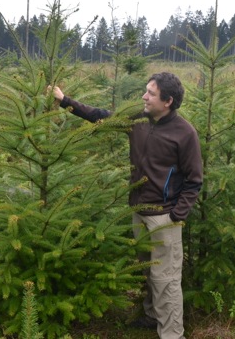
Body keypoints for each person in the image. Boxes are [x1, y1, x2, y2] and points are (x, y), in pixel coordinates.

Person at [49, 72, 203, 339]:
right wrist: (65, 101)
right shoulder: (138, 120)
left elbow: (194, 180)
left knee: (165, 280)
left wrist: (177, 214)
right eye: (146, 91)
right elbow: (101, 116)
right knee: (146, 270)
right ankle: (151, 315)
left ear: (167, 101)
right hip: (138, 210)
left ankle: (172, 334)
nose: (144, 96)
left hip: (164, 217)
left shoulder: (184, 133)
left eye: (150, 93)